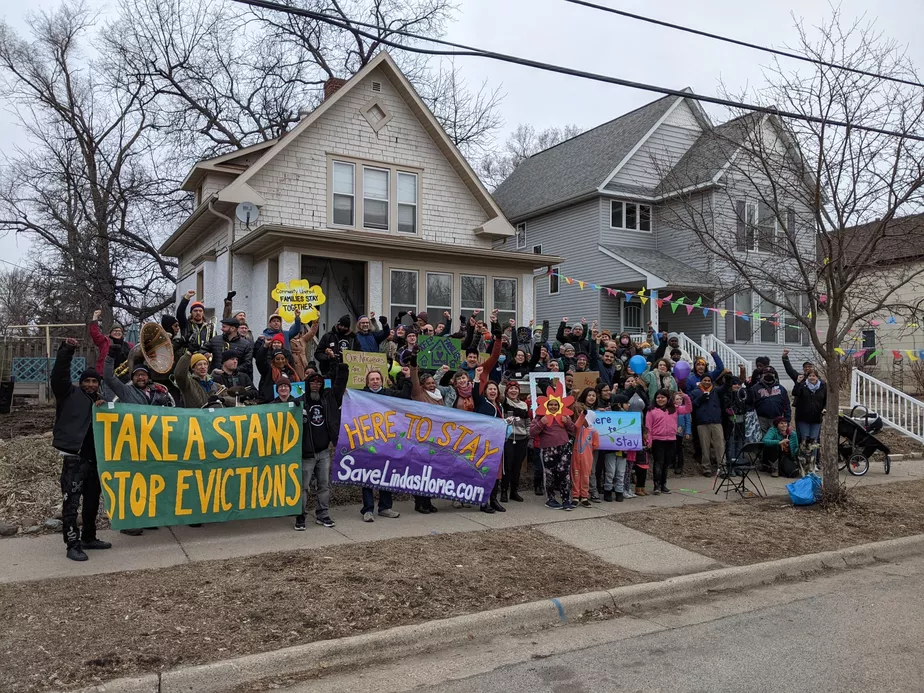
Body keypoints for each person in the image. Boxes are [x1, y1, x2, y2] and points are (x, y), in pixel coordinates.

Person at [51, 338, 111, 562]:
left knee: (92, 501)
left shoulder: (102, 404)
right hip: (74, 459)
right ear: (81, 382)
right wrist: (67, 350)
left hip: (95, 460)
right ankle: (72, 544)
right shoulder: (68, 395)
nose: (91, 385)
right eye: (87, 381)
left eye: (94, 382)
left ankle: (89, 537)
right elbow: (59, 375)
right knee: (72, 503)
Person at [295, 364, 348, 530]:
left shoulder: (328, 399)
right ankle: (300, 516)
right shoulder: (298, 403)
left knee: (324, 485)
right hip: (306, 454)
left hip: (324, 452)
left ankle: (323, 515)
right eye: (312, 382)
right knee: (303, 488)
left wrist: (342, 366)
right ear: (307, 385)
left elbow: (340, 384)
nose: (316, 385)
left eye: (319, 383)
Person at [360, 369, 410, 521]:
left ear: (381, 381)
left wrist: (407, 378)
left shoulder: (389, 393)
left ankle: (385, 507)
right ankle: (368, 509)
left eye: (377, 379)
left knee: (386, 474)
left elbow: (405, 396)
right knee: (367, 476)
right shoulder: (360, 396)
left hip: (387, 442)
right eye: (372, 379)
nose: (375, 381)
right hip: (368, 442)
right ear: (367, 382)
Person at [529, 398, 576, 510]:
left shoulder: (564, 416)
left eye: (556, 405)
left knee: (564, 473)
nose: (553, 407)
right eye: (551, 405)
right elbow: (532, 432)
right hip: (548, 449)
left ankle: (566, 499)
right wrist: (541, 423)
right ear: (546, 406)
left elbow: (574, 430)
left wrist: (567, 422)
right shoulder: (540, 417)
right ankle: (550, 499)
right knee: (549, 474)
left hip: (564, 447)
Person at [645, 389, 692, 494]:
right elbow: (648, 428)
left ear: (667, 398)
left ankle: (663, 485)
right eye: (658, 397)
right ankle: (656, 485)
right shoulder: (651, 410)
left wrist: (685, 397)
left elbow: (688, 409)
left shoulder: (674, 409)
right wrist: (649, 440)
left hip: (671, 439)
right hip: (658, 440)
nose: (660, 399)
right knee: (658, 462)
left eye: (662, 397)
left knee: (666, 463)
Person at [472, 368, 506, 514]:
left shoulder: (499, 406)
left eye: (495, 389)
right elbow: (474, 393)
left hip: (497, 444)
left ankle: (494, 499)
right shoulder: (482, 402)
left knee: (497, 474)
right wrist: (477, 377)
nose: (493, 391)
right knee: (485, 473)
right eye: (490, 389)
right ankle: (483, 501)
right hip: (484, 444)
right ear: (485, 391)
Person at [690, 374, 727, 477]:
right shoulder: (695, 392)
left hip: (716, 422)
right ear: (701, 381)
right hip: (702, 423)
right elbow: (690, 406)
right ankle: (706, 468)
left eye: (709, 380)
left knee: (720, 446)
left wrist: (727, 380)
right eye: (705, 380)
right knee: (705, 447)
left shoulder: (716, 391)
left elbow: (724, 388)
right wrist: (700, 399)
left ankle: (723, 468)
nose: (707, 382)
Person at [501, 381, 530, 503]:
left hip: (522, 439)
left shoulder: (524, 404)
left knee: (517, 467)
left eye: (515, 388)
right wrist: (503, 381)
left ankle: (514, 491)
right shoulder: (504, 402)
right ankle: (503, 491)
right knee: (507, 466)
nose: (513, 391)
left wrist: (528, 433)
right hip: (508, 438)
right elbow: (499, 391)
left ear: (519, 391)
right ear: (507, 391)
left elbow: (527, 421)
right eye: (511, 388)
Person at [571, 391, 600, 508]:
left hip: (587, 457)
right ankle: (575, 496)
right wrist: (582, 414)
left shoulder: (593, 431)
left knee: (586, 476)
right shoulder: (578, 429)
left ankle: (584, 496)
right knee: (575, 475)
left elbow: (595, 445)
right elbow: (577, 424)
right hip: (576, 454)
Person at [88, 309, 133, 375]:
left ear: (122, 333)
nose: (117, 332)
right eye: (115, 331)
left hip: (125, 376)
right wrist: (95, 317)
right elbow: (95, 334)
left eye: (119, 331)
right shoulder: (104, 342)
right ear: (110, 333)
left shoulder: (129, 345)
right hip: (107, 376)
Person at [750, 368, 791, 435]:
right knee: (762, 439)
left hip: (777, 418)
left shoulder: (781, 388)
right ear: (762, 375)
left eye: (771, 374)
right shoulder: (755, 388)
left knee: (776, 438)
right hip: (761, 419)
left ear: (774, 375)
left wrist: (787, 420)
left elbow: (786, 405)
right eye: (766, 374)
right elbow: (751, 404)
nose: (768, 375)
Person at [791, 370, 827, 444]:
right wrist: (797, 382)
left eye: (814, 376)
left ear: (817, 377)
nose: (812, 378)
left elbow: (826, 400)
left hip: (816, 418)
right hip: (803, 418)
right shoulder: (803, 385)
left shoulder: (823, 387)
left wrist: (824, 408)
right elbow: (795, 393)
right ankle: (805, 455)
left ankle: (813, 455)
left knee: (814, 440)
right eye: (810, 376)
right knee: (805, 439)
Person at [674, 392, 692, 474]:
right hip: (672, 432)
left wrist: (687, 432)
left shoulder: (685, 409)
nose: (679, 400)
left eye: (680, 399)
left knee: (679, 449)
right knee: (672, 448)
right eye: (677, 399)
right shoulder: (672, 409)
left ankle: (680, 465)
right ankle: (672, 463)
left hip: (680, 432)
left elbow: (688, 422)